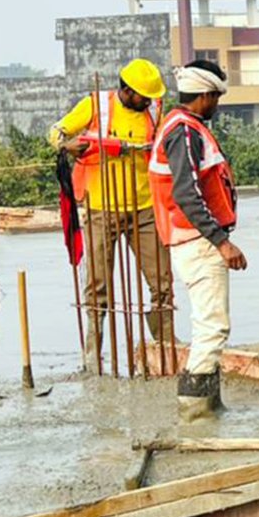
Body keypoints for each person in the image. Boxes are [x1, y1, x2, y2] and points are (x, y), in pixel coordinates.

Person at [49, 58, 173, 371]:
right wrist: (67, 145)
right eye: (143, 96)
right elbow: (56, 132)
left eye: (151, 97)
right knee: (98, 286)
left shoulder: (155, 110)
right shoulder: (96, 106)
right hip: (101, 209)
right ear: (127, 90)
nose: (148, 102)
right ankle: (93, 359)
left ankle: (166, 349)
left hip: (145, 209)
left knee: (161, 283)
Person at [149, 60, 246, 420]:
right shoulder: (184, 132)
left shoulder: (182, 126)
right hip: (197, 240)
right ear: (204, 95)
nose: (217, 104)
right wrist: (221, 241)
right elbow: (187, 194)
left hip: (193, 239)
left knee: (208, 323)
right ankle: (196, 416)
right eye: (216, 98)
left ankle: (208, 409)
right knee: (212, 326)